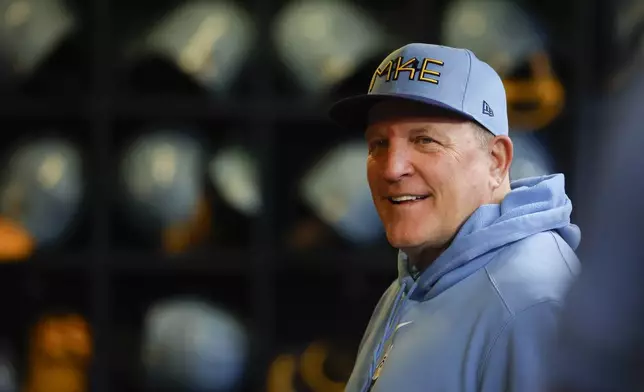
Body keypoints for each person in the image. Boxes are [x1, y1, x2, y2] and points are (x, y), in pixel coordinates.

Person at [327, 43, 581, 392]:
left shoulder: (529, 302)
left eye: (425, 140)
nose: (392, 168)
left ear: (496, 161)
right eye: (378, 144)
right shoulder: (423, 274)